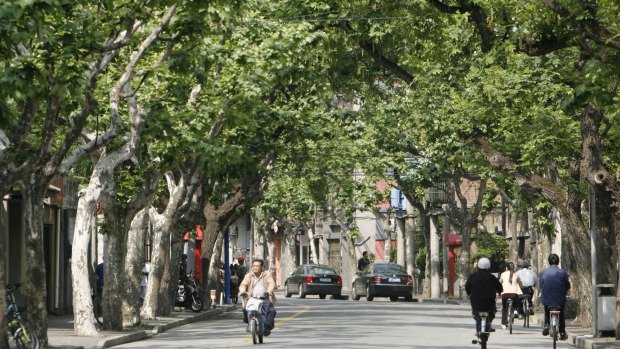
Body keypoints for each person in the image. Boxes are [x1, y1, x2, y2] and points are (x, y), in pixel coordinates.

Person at [239, 258, 277, 336]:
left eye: (257, 266)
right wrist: (242, 291)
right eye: (254, 266)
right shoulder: (248, 275)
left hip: (264, 297)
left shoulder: (267, 274)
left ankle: (266, 328)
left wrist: (268, 291)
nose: (255, 267)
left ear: (262, 267)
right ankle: (249, 323)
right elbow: (243, 285)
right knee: (245, 309)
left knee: (272, 311)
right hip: (251, 298)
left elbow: (271, 283)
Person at [465, 257, 503, 333]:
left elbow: (467, 287)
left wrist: (469, 292)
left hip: (476, 301)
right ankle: (488, 324)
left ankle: (478, 328)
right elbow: (499, 287)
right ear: (488, 266)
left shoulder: (473, 276)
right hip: (489, 302)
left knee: (476, 314)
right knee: (492, 312)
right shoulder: (491, 277)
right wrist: (499, 292)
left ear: (478, 266)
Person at [539, 253, 570, 340]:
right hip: (560, 298)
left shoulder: (544, 272)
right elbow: (567, 285)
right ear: (558, 261)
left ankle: (546, 325)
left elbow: (541, 284)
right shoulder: (563, 272)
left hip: (547, 297)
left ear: (549, 262)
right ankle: (562, 332)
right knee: (562, 314)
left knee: (546, 311)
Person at [499, 261, 522, 329]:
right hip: (514, 294)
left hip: (505, 294)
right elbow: (520, 283)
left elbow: (500, 282)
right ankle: (515, 310)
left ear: (506, 268)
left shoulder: (503, 274)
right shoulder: (516, 274)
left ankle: (503, 323)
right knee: (516, 298)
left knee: (504, 308)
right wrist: (521, 287)